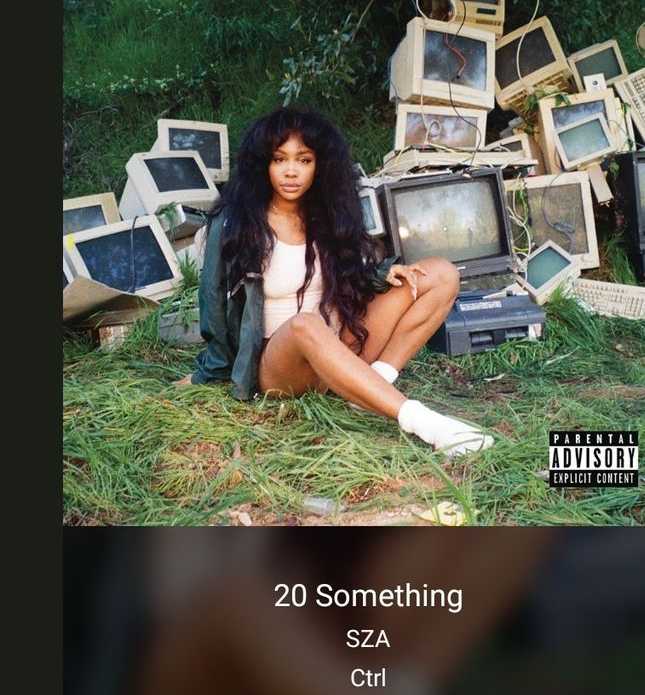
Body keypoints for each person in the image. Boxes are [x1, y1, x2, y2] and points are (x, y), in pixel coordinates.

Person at [178, 107, 493, 457]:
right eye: (279, 159)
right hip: (280, 365)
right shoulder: (235, 221)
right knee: (305, 325)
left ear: (320, 164)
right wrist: (209, 373)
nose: (291, 171)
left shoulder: (328, 212)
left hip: (340, 343)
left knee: (440, 274)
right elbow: (214, 306)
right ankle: (428, 424)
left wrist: (381, 275)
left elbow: (347, 277)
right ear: (262, 164)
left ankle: (374, 385)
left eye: (304, 159)